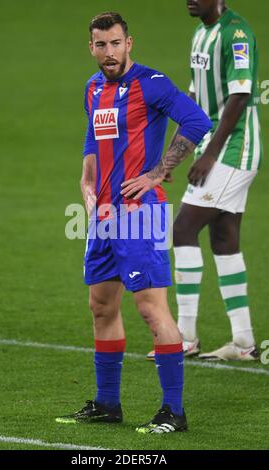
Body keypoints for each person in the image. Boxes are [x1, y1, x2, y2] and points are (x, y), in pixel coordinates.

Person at [56, 12, 211, 433]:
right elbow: (94, 138)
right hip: (104, 216)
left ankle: (173, 412)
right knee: (101, 305)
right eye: (101, 45)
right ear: (91, 47)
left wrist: (160, 171)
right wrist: (87, 180)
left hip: (141, 214)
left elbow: (197, 121)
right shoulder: (92, 89)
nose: (110, 52)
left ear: (130, 43)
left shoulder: (151, 83)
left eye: (116, 43)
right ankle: (108, 404)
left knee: (150, 308)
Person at [147, 0, 262, 362]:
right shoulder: (200, 34)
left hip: (234, 150)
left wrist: (211, 153)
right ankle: (243, 343)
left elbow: (240, 94)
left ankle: (184, 337)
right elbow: (194, 99)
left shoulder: (236, 33)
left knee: (182, 229)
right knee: (224, 238)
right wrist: (174, 157)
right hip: (214, 148)